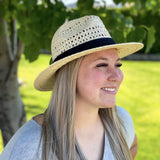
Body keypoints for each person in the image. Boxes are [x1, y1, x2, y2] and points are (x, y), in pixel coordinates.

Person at [0, 15, 143, 160]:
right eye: (101, 65)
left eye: (117, 65)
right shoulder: (31, 146)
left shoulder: (121, 121)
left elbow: (132, 146)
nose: (117, 76)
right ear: (70, 75)